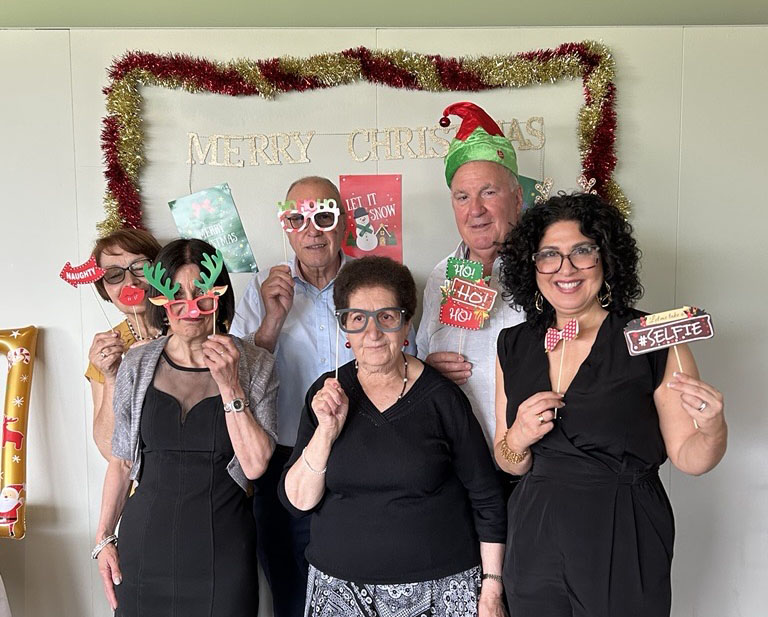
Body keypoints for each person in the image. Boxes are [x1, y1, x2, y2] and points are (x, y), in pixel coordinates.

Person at [494, 193, 728, 617]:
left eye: (582, 251)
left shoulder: (653, 338)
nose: (565, 268)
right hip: (535, 536)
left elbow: (690, 458)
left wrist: (713, 428)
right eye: (549, 255)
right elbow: (509, 461)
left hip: (624, 526)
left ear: (606, 258)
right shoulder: (513, 344)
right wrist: (518, 438)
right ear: (532, 265)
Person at [279, 256, 507, 617]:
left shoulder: (442, 397)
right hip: (339, 593)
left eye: (386, 317)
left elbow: (487, 497)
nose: (372, 333)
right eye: (357, 318)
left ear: (406, 325)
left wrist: (492, 587)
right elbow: (297, 503)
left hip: (440, 590)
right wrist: (326, 432)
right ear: (344, 328)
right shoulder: (326, 394)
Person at [230, 176, 415, 617]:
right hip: (283, 462)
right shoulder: (261, 289)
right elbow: (235, 380)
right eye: (298, 219)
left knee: (364, 588)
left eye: (324, 217)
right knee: (291, 592)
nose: (312, 231)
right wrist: (272, 322)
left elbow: (406, 357)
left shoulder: (371, 285)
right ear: (286, 227)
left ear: (344, 222)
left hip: (362, 454)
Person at [93, 239, 277, 617]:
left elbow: (256, 465)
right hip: (144, 546)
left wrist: (230, 385)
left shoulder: (255, 364)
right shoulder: (137, 363)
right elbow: (122, 462)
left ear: (219, 297)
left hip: (222, 550)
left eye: (201, 294)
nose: (189, 307)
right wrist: (104, 538)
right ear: (160, 300)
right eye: (176, 294)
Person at [416, 102, 525, 457]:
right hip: (456, 463)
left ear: (518, 198)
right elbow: (418, 357)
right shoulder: (440, 275)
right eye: (462, 197)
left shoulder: (549, 270)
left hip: (531, 461)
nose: (475, 210)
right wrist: (427, 371)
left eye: (488, 192)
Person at [85, 229, 162, 460]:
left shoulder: (191, 324)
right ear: (104, 288)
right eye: (114, 274)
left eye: (141, 267)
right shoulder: (107, 351)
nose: (131, 282)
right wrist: (112, 377)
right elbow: (109, 450)